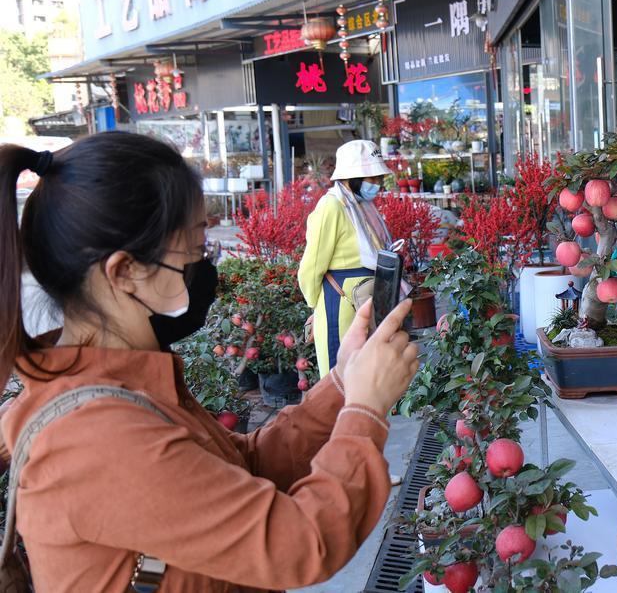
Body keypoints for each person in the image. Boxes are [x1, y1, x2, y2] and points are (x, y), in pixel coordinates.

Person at [0, 132, 419, 591]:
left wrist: (342, 383)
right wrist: (364, 411)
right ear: (124, 272)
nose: (207, 267)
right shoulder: (95, 433)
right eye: (197, 250)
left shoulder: (124, 385)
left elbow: (244, 467)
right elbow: (300, 543)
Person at [298, 139, 394, 378]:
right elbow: (311, 266)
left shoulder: (360, 204)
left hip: (364, 299)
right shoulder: (332, 206)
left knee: (365, 376)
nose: (376, 183)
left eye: (378, 178)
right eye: (370, 177)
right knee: (339, 377)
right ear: (351, 177)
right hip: (340, 302)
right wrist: (316, 306)